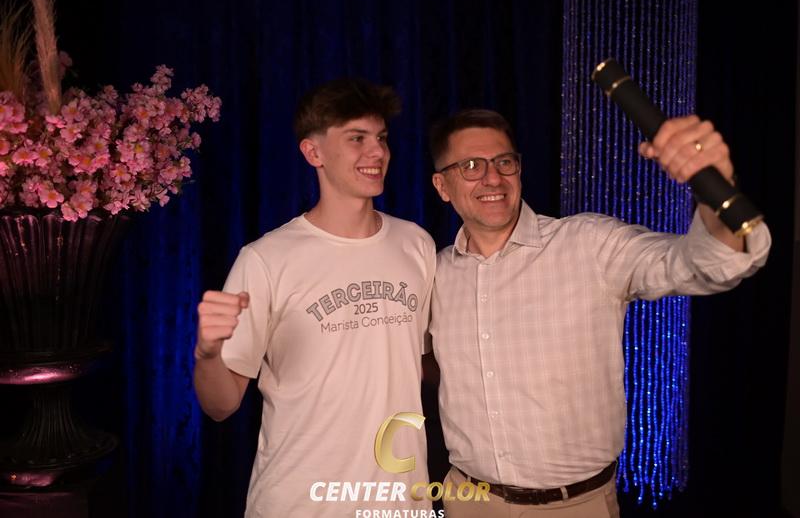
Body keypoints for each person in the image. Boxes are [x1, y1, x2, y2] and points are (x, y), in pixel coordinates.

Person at [426, 109, 771, 517]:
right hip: (469, 502)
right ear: (442, 186)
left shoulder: (589, 245)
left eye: (504, 162)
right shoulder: (433, 273)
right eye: (471, 166)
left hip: (577, 506)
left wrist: (716, 190)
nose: (492, 178)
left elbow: (707, 265)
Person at [193, 78, 436, 517]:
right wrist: (207, 353)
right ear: (313, 153)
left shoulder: (415, 244)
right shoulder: (266, 259)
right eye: (357, 138)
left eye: (381, 138)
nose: (378, 152)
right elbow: (221, 406)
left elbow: (416, 364)